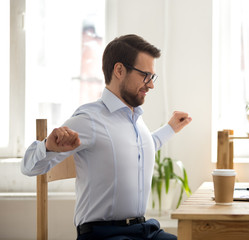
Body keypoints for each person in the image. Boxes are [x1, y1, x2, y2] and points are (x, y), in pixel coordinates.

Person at [21, 34, 192, 240]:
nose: (151, 85)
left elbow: (140, 149)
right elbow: (28, 167)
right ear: (119, 70)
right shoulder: (89, 118)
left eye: (152, 77)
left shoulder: (135, 117)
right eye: (145, 75)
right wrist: (48, 147)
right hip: (104, 234)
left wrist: (170, 128)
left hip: (144, 230)